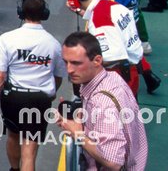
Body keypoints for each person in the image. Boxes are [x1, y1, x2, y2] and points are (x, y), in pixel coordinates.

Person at [0, 0, 66, 171]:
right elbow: (59, 76)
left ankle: (14, 169)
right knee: (29, 148)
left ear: (21, 13)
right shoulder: (53, 44)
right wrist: (51, 94)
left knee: (13, 137)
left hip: (13, 97)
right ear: (44, 14)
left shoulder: (7, 38)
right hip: (39, 99)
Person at [56, 31, 148, 171]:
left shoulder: (103, 104)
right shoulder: (112, 78)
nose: (69, 70)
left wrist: (77, 134)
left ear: (97, 60)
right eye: (65, 62)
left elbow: (113, 162)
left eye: (76, 63)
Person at [63, 0, 143, 97]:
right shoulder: (112, 6)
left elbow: (111, 57)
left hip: (116, 80)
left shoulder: (99, 20)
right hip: (130, 74)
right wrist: (79, 11)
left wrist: (82, 65)